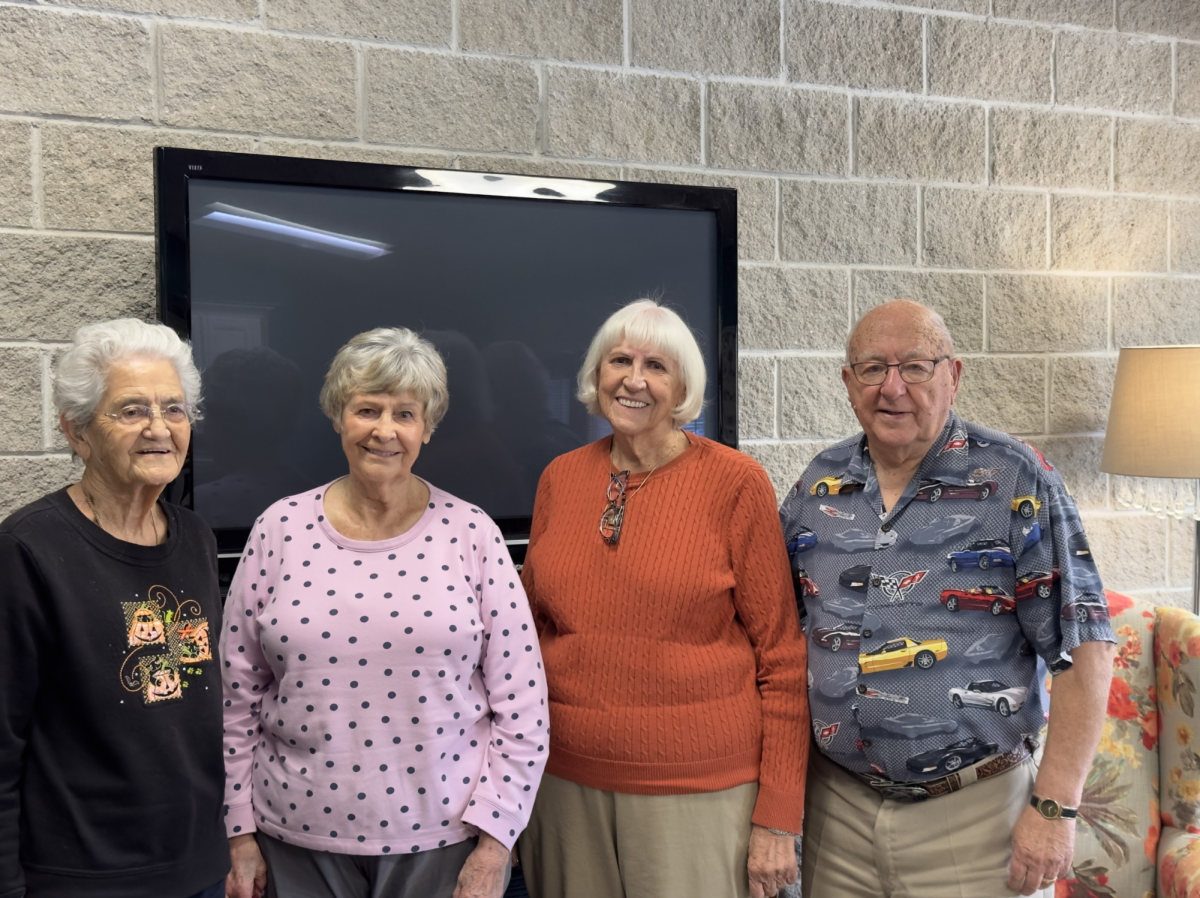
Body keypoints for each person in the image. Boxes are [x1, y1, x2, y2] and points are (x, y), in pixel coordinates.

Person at [779, 299, 1116, 898]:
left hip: (976, 817)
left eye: (914, 366)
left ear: (953, 375)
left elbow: (1083, 645)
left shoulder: (1015, 478)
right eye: (872, 368)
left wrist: (1056, 806)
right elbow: (778, 637)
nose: (892, 387)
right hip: (837, 814)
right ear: (847, 383)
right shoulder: (817, 485)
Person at [221, 327, 548, 898]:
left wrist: (496, 842)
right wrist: (239, 834)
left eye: (405, 413)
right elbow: (235, 697)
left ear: (428, 426)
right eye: (366, 409)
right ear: (337, 417)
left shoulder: (472, 534)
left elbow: (523, 707)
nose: (384, 430)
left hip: (443, 844)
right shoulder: (279, 528)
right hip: (294, 841)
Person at [518, 299, 809, 898]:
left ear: (682, 388)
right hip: (562, 785)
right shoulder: (560, 477)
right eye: (619, 360)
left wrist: (779, 815)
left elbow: (781, 656)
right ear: (596, 375)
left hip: (698, 792)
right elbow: (525, 635)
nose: (633, 379)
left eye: (656, 365)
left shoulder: (736, 483)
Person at [0, 318, 228, 898]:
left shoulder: (196, 537)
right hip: (85, 879)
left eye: (174, 409)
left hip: (197, 869)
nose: (159, 428)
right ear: (77, 432)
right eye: (131, 411)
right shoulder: (27, 550)